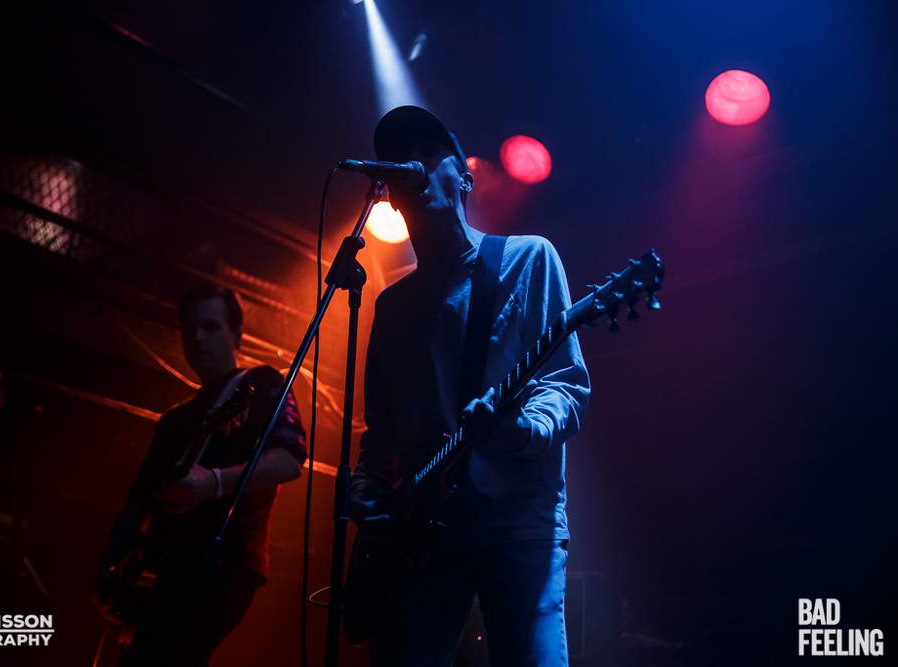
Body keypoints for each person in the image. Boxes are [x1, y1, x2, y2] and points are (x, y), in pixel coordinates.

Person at [349, 106, 591, 667]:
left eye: (427, 153)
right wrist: (366, 493)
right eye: (399, 159)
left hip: (518, 525)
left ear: (463, 176)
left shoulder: (527, 259)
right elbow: (380, 436)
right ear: (389, 195)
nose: (412, 166)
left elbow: (565, 386)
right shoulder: (392, 307)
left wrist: (518, 428)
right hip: (424, 535)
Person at [94, 284, 306, 666]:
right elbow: (138, 502)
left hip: (223, 565)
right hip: (162, 570)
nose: (198, 338)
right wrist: (108, 567)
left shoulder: (261, 384)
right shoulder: (174, 421)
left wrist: (213, 483)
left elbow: (289, 461)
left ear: (236, 334)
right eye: (189, 329)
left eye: (210, 327)